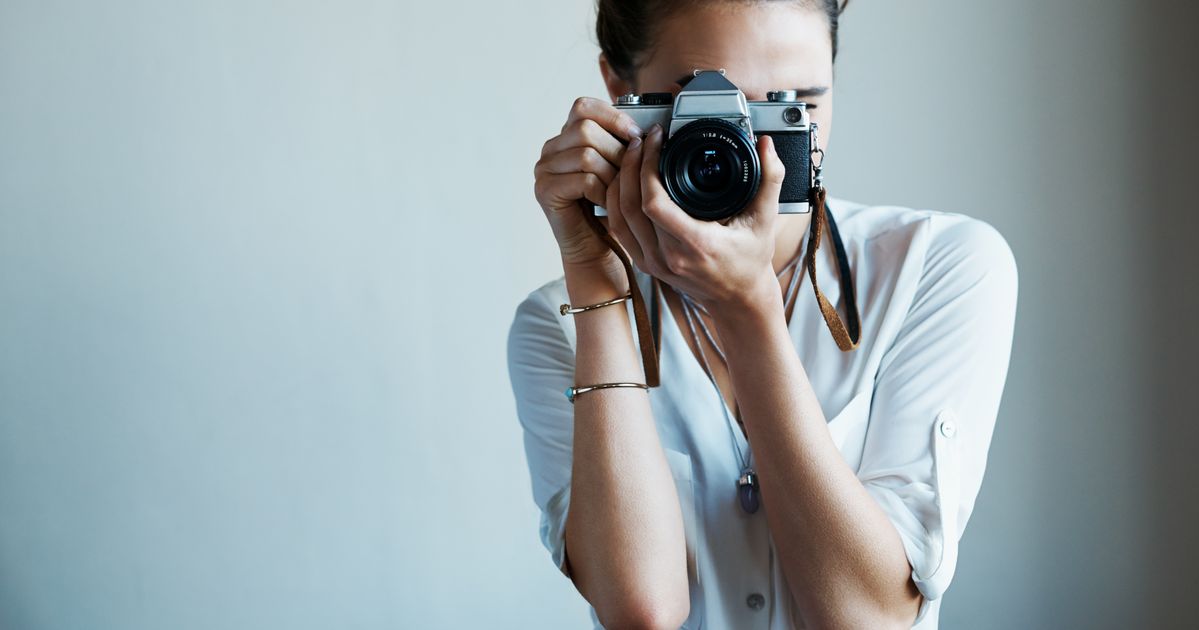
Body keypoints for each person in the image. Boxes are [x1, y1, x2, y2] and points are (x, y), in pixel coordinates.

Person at [507, 1, 1019, 628]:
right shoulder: (557, 323)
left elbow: (872, 618)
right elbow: (641, 611)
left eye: (794, 104)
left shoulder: (934, 269)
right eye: (705, 106)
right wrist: (595, 281)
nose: (751, 147)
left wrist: (746, 308)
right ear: (620, 90)